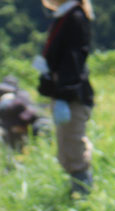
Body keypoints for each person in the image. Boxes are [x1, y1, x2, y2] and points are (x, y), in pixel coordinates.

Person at [35, 0, 94, 193]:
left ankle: (83, 197)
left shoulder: (74, 17)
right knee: (66, 148)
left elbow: (73, 59)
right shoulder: (65, 16)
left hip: (72, 96)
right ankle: (78, 194)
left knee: (74, 147)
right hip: (65, 93)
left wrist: (64, 93)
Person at [0, 77, 49, 152]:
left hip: (38, 130)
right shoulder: (16, 97)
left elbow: (15, 129)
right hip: (44, 123)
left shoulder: (3, 106)